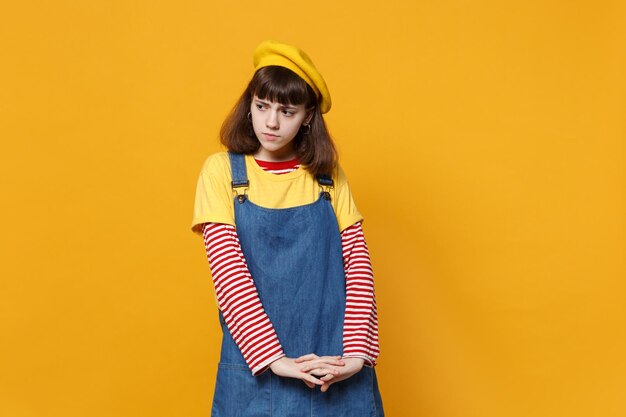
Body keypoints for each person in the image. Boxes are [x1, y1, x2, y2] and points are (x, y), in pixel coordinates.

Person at [191, 40, 384, 416]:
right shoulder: (221, 173)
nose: (272, 122)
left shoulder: (328, 178)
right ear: (249, 105)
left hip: (336, 371)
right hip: (256, 372)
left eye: (287, 110)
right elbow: (229, 274)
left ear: (309, 115)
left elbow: (359, 267)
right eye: (262, 106)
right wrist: (274, 359)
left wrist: (357, 355)